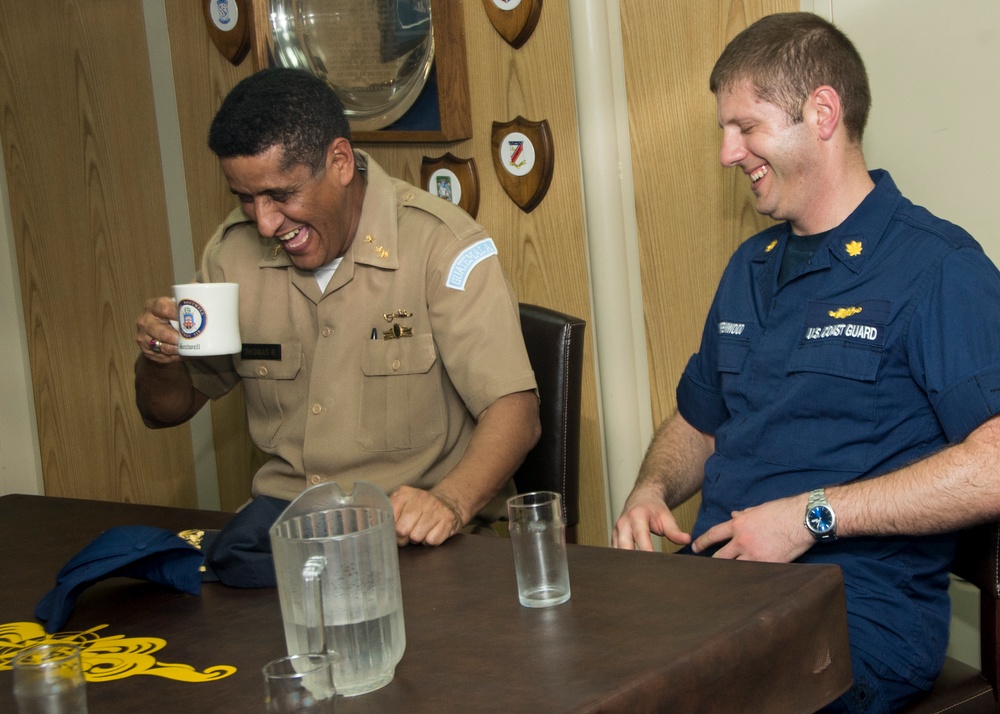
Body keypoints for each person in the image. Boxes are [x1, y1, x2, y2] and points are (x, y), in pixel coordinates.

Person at [612, 12, 1000, 713]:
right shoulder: (749, 266)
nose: (727, 154)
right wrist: (650, 489)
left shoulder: (937, 268)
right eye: (723, 131)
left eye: (746, 127)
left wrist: (811, 518)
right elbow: (701, 423)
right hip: (716, 590)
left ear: (822, 112)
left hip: (852, 612)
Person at [135, 68, 540, 548]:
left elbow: (515, 410)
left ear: (341, 162)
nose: (264, 224)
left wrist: (450, 503)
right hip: (285, 534)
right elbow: (165, 410)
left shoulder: (441, 247)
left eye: (281, 195)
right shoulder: (233, 254)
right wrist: (160, 358)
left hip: (415, 537)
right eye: (246, 199)